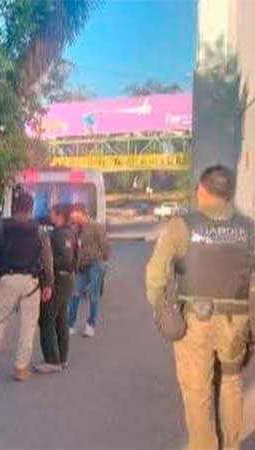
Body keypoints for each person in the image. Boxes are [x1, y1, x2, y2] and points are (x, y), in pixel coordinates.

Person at [146, 165, 254, 450]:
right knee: (231, 384)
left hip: (195, 322)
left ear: (203, 191)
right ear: (229, 194)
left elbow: (156, 274)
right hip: (237, 321)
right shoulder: (249, 230)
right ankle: (231, 445)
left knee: (197, 392)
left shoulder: (182, 226)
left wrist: (160, 307)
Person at [0, 188, 54, 381]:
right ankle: (21, 368)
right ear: (31, 208)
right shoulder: (39, 231)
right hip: (31, 283)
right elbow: (48, 260)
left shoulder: (0, 227)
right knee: (28, 326)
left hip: (7, 279)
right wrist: (48, 284)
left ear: (14, 207)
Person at [36, 204, 78, 374]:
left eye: (51, 213)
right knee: (61, 318)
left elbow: (65, 258)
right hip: (67, 279)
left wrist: (46, 268)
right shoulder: (71, 233)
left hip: (58, 280)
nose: (49, 215)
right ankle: (62, 357)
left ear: (59, 215)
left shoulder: (58, 235)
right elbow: (74, 258)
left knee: (47, 318)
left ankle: (52, 359)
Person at [67, 203, 110, 337]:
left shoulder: (96, 227)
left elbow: (105, 245)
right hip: (82, 265)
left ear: (81, 213)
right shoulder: (76, 229)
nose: (72, 218)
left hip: (95, 264)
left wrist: (102, 261)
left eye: (74, 215)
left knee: (93, 295)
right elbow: (74, 248)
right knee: (75, 294)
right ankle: (70, 324)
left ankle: (90, 325)